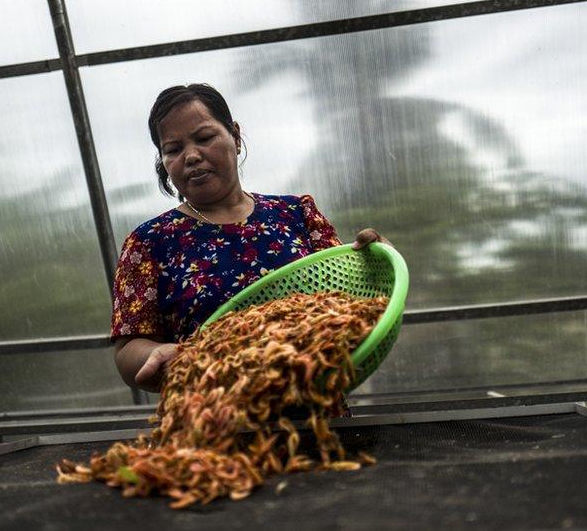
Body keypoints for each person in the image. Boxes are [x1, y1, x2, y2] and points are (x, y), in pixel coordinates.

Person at [112, 83, 387, 392]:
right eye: (173, 150)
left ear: (235, 136)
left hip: (313, 408)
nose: (191, 156)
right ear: (163, 162)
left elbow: (347, 304)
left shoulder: (296, 214)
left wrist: (376, 261)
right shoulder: (149, 242)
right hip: (212, 418)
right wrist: (158, 355)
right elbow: (127, 348)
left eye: (204, 138)